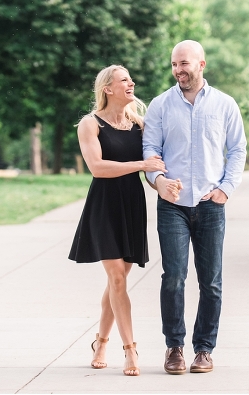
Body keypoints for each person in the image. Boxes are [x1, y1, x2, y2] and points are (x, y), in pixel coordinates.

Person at [143, 40, 247, 375]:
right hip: (171, 206)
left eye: (184, 63)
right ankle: (174, 348)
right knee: (173, 277)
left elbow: (238, 149)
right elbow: (150, 152)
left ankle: (204, 350)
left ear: (201, 64)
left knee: (211, 282)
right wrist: (159, 182)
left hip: (209, 205)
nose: (178, 70)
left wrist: (225, 190)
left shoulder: (224, 105)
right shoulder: (160, 106)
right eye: (174, 64)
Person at [68, 65, 180, 377]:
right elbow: (97, 167)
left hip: (132, 205)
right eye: (124, 80)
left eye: (131, 79)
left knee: (117, 280)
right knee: (117, 278)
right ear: (108, 88)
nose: (131, 83)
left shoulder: (139, 124)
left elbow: (153, 166)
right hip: (104, 205)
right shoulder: (90, 125)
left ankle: (100, 341)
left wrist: (165, 181)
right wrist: (141, 163)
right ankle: (130, 349)